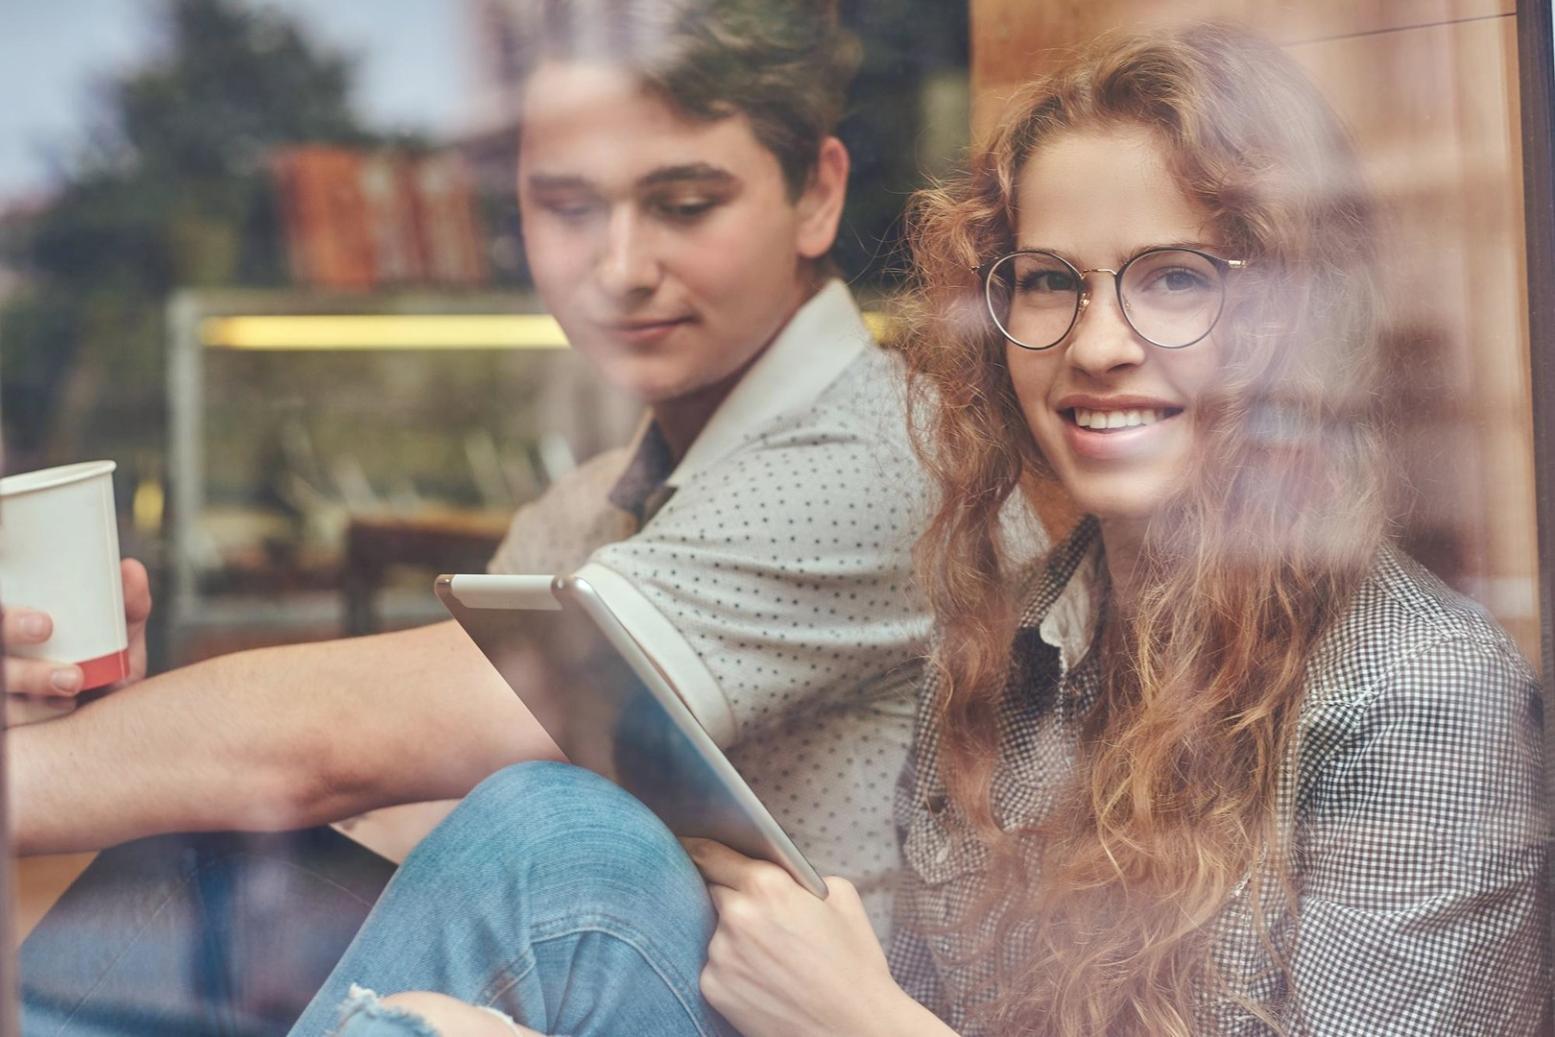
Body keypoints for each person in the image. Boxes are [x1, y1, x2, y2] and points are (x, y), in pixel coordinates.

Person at [286, 22, 1549, 1037]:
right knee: (548, 846)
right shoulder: (1005, 648)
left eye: (1176, 279)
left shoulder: (1421, 691)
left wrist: (859, 1018)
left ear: (1289, 312)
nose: (1098, 344)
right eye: (1050, 280)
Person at [18, 2, 1028, 1032]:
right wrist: (116, 737)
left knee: (561, 838)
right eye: (566, 206)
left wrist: (62, 766)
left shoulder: (888, 454)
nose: (620, 266)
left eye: (684, 203)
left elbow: (341, 746)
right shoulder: (577, 509)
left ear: (816, 194)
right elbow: (401, 815)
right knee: (194, 843)